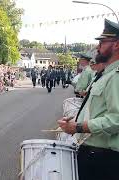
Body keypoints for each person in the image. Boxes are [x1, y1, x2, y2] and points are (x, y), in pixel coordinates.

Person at [58, 19, 119, 180]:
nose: (98, 47)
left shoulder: (116, 76)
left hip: (103, 159)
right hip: (95, 155)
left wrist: (78, 127)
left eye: (103, 42)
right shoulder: (107, 74)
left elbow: (117, 120)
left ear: (116, 45)